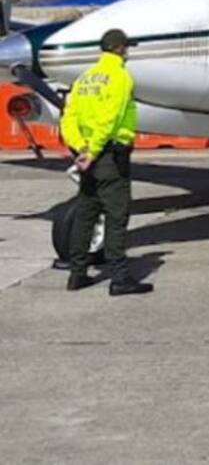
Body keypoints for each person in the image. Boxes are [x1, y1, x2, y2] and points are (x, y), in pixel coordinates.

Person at [59, 28, 153, 295]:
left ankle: (77, 274)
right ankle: (119, 278)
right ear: (120, 49)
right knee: (116, 215)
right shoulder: (120, 76)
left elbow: (68, 118)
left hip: (87, 156)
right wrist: (94, 151)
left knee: (86, 214)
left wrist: (81, 148)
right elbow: (110, 118)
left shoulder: (85, 78)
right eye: (127, 47)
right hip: (109, 156)